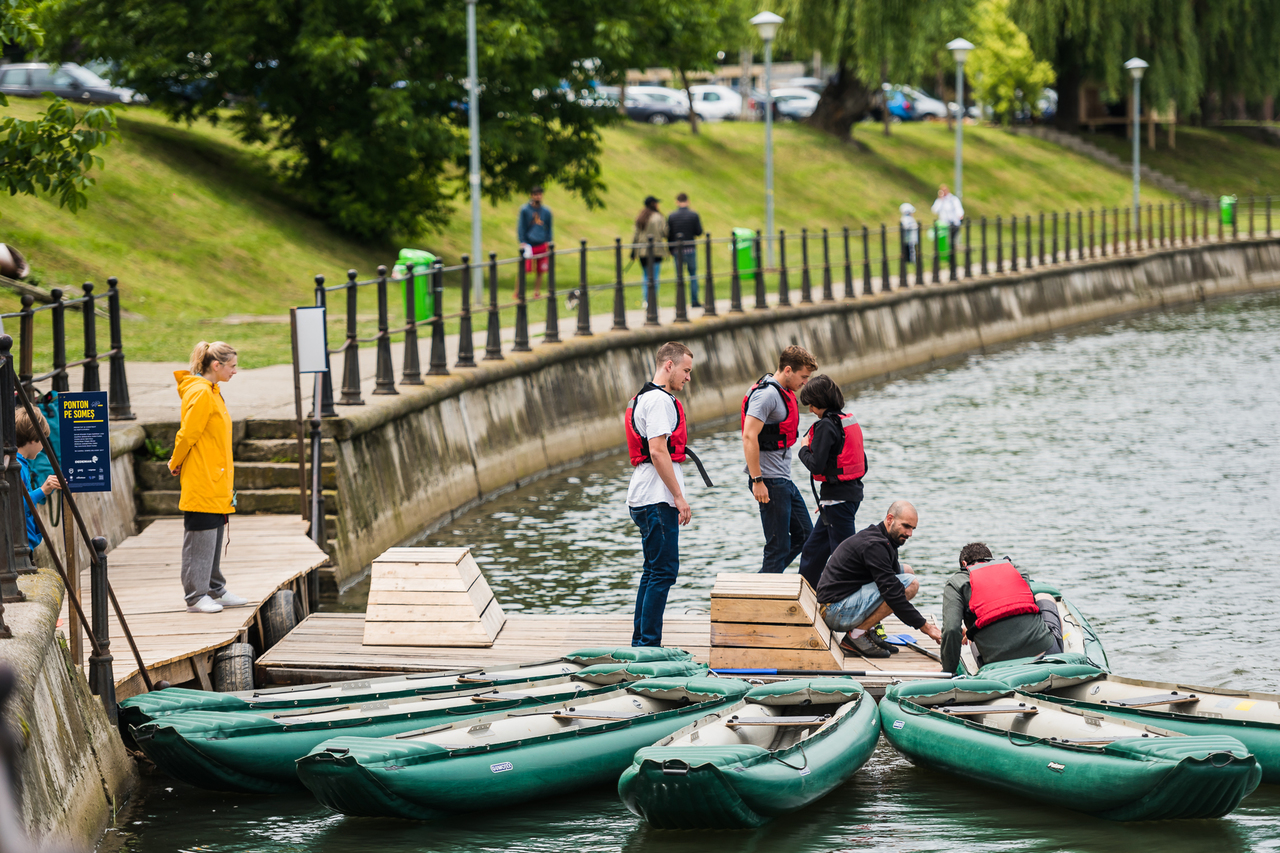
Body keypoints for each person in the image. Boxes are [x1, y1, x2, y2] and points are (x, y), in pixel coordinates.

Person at [625, 341, 696, 647]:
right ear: (669, 365)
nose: (688, 378)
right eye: (686, 370)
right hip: (656, 499)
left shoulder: (646, 397)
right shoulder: (658, 401)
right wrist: (678, 497)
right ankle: (647, 647)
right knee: (663, 572)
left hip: (644, 496)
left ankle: (641, 643)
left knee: (653, 571)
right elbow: (657, 450)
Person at [169, 341, 248, 614]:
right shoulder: (201, 393)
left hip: (217, 477)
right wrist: (175, 461)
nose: (235, 371)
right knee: (200, 536)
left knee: (214, 532)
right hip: (203, 476)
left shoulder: (213, 391)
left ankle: (215, 587)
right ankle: (195, 595)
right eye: (232, 366)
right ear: (217, 366)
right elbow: (187, 434)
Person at [816, 500, 942, 658]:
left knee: (907, 571)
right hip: (834, 611)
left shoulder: (885, 538)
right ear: (890, 519)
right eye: (906, 526)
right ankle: (856, 636)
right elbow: (893, 595)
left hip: (841, 601)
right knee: (910, 584)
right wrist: (926, 627)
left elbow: (892, 583)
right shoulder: (875, 545)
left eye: (913, 528)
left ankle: (869, 629)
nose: (910, 534)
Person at [742, 345, 817, 575]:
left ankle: (761, 583)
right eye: (803, 376)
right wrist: (757, 480)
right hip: (769, 480)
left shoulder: (781, 391)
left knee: (806, 534)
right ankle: (761, 597)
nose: (805, 382)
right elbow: (748, 435)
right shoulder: (767, 395)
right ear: (787, 370)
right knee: (778, 546)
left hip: (782, 479)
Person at [940, 542, 1064, 675]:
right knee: (1045, 596)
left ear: (964, 564)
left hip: (995, 663)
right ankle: (1060, 654)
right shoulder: (1016, 568)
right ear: (990, 559)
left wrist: (948, 671)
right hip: (1044, 652)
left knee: (973, 639)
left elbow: (951, 629)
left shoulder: (956, 582)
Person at [796, 375, 866, 591]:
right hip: (840, 499)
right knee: (812, 552)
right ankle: (807, 600)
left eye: (812, 405)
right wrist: (828, 499)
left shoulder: (826, 426)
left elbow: (816, 466)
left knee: (844, 559)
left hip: (839, 501)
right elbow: (863, 462)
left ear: (821, 401)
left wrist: (803, 449)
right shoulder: (847, 421)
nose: (810, 411)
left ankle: (859, 611)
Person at [14, 407, 61, 554]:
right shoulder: (17, 467)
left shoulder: (20, 463)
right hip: (20, 545)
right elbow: (16, 506)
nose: (43, 446)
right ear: (34, 440)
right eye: (43, 440)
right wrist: (42, 490)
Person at [666, 192, 704, 307]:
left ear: (677, 202)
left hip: (677, 250)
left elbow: (669, 234)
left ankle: (680, 302)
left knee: (679, 277)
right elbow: (699, 231)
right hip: (690, 249)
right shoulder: (693, 215)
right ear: (688, 201)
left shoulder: (672, 216)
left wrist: (670, 249)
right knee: (693, 275)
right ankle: (694, 300)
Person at [631, 196, 669, 305]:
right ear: (653, 204)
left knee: (646, 276)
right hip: (656, 251)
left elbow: (636, 236)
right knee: (655, 276)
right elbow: (665, 232)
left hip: (642, 252)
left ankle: (646, 300)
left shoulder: (640, 217)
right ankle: (653, 300)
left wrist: (633, 252)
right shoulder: (659, 217)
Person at [517, 186, 553, 299]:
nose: (538, 196)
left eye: (540, 194)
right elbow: (521, 226)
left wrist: (549, 241)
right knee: (524, 268)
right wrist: (522, 241)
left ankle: (536, 292)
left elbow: (549, 227)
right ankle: (519, 291)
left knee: (540, 270)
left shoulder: (546, 211)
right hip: (529, 243)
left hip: (541, 242)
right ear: (532, 195)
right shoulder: (525, 210)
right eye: (536, 194)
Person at [930, 184, 965, 252]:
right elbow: (934, 210)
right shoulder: (940, 201)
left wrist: (960, 215)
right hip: (944, 224)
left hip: (954, 223)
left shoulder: (953, 199)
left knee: (951, 241)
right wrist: (940, 199)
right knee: (944, 242)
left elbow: (958, 208)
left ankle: (952, 257)